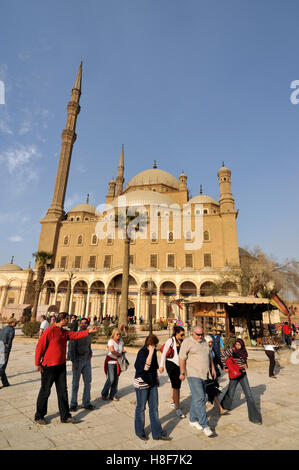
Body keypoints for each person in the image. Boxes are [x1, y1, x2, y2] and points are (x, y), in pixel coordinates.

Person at [34, 312, 98, 425]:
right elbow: (40, 346)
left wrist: (89, 331)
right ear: (62, 319)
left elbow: (75, 335)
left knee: (63, 391)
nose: (69, 321)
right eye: (67, 319)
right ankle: (39, 415)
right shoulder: (49, 331)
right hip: (49, 366)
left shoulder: (64, 332)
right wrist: (37, 363)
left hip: (61, 366)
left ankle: (65, 416)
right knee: (45, 391)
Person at [179, 326, 216, 437]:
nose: (200, 336)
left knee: (197, 398)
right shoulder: (187, 342)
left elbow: (209, 355)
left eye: (202, 334)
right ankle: (205, 425)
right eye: (198, 334)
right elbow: (182, 358)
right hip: (193, 374)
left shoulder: (205, 341)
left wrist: (212, 368)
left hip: (204, 374)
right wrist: (182, 372)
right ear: (193, 333)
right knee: (200, 398)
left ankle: (193, 419)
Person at [134, 334, 172, 441]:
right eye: (154, 345)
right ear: (150, 344)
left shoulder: (154, 351)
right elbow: (145, 368)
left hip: (152, 382)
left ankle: (157, 433)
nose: (155, 347)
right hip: (141, 384)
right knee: (141, 408)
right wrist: (150, 353)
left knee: (154, 408)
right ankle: (139, 431)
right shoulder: (142, 353)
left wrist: (156, 378)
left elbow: (154, 366)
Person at [220, 338, 262, 424]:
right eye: (236, 344)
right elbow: (222, 356)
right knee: (231, 393)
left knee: (249, 395)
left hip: (242, 374)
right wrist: (226, 367)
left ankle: (254, 418)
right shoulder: (232, 350)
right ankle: (223, 406)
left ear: (242, 345)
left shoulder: (244, 352)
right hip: (234, 374)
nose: (237, 346)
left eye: (239, 345)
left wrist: (245, 364)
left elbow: (244, 361)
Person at [68, 317, 96, 411]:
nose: (83, 324)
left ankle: (86, 403)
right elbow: (72, 349)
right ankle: (73, 404)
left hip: (87, 361)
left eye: (85, 323)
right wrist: (74, 362)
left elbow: (89, 345)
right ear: (80, 324)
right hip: (78, 361)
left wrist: (90, 353)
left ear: (87, 324)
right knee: (75, 383)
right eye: (82, 323)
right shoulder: (76, 334)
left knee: (88, 382)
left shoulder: (88, 334)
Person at [159, 325, 186, 418]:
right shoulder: (170, 340)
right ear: (177, 333)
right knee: (177, 386)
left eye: (184, 334)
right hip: (171, 364)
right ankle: (178, 408)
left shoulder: (183, 342)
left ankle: (173, 401)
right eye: (182, 334)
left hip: (179, 365)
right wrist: (161, 366)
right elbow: (163, 353)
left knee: (175, 385)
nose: (183, 336)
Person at [204, 336, 228, 415]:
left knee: (213, 389)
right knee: (208, 391)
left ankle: (219, 407)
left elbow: (217, 358)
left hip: (213, 372)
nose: (210, 344)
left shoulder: (212, 349)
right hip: (205, 374)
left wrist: (222, 366)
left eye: (211, 342)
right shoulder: (203, 350)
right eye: (209, 342)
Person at [101, 328, 124, 401]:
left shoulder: (121, 341)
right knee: (111, 378)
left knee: (116, 379)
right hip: (111, 361)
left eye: (119, 334)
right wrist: (120, 354)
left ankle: (113, 395)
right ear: (113, 334)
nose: (118, 335)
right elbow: (112, 351)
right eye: (117, 334)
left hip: (118, 362)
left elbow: (122, 349)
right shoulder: (110, 341)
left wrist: (122, 353)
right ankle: (104, 393)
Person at [0, 317, 18, 388]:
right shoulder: (11, 330)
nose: (16, 324)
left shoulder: (4, 328)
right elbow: (9, 340)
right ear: (11, 322)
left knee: (1, 365)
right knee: (2, 366)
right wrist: (7, 346)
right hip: (5, 350)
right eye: (15, 323)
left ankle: (5, 383)